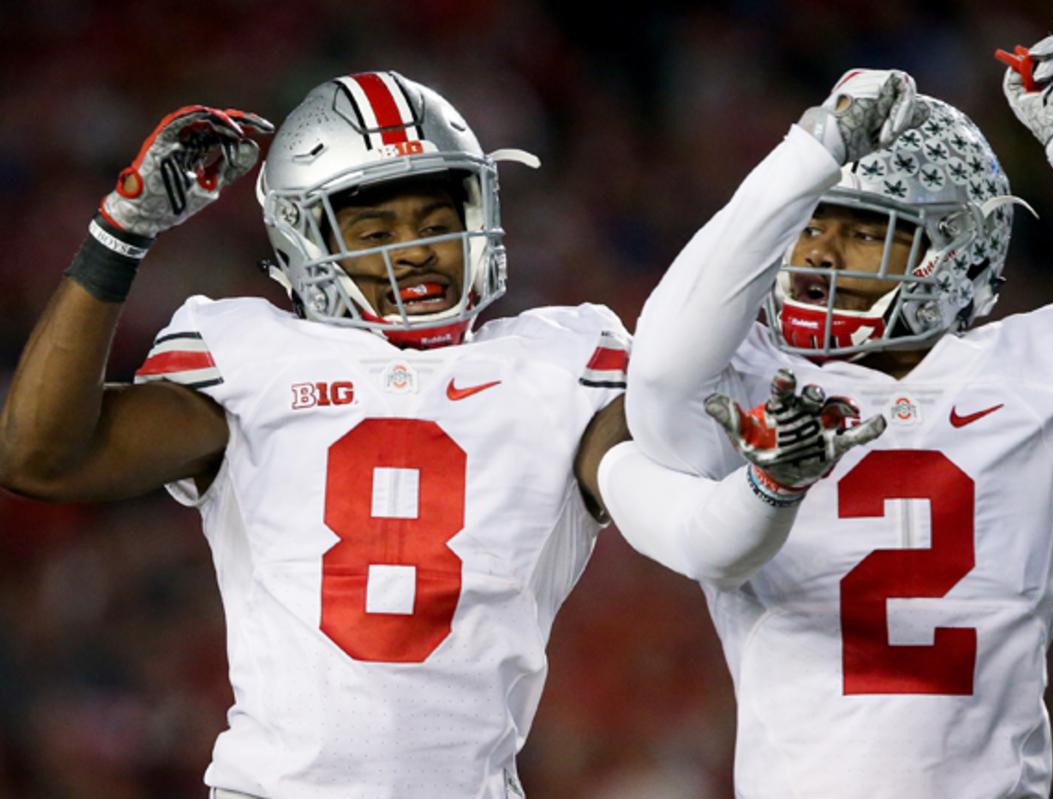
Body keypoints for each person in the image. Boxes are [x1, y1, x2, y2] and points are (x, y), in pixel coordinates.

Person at [0, 70, 881, 798]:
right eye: (375, 227)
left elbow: (684, 515)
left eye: (434, 220)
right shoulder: (249, 354)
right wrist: (119, 233)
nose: (413, 249)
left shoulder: (562, 359)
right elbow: (39, 455)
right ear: (304, 239)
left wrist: (764, 479)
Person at [606, 13, 1053, 798]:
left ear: (951, 252)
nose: (816, 252)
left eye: (859, 231)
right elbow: (659, 372)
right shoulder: (756, 384)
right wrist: (808, 153)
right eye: (810, 226)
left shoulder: (1036, 375)